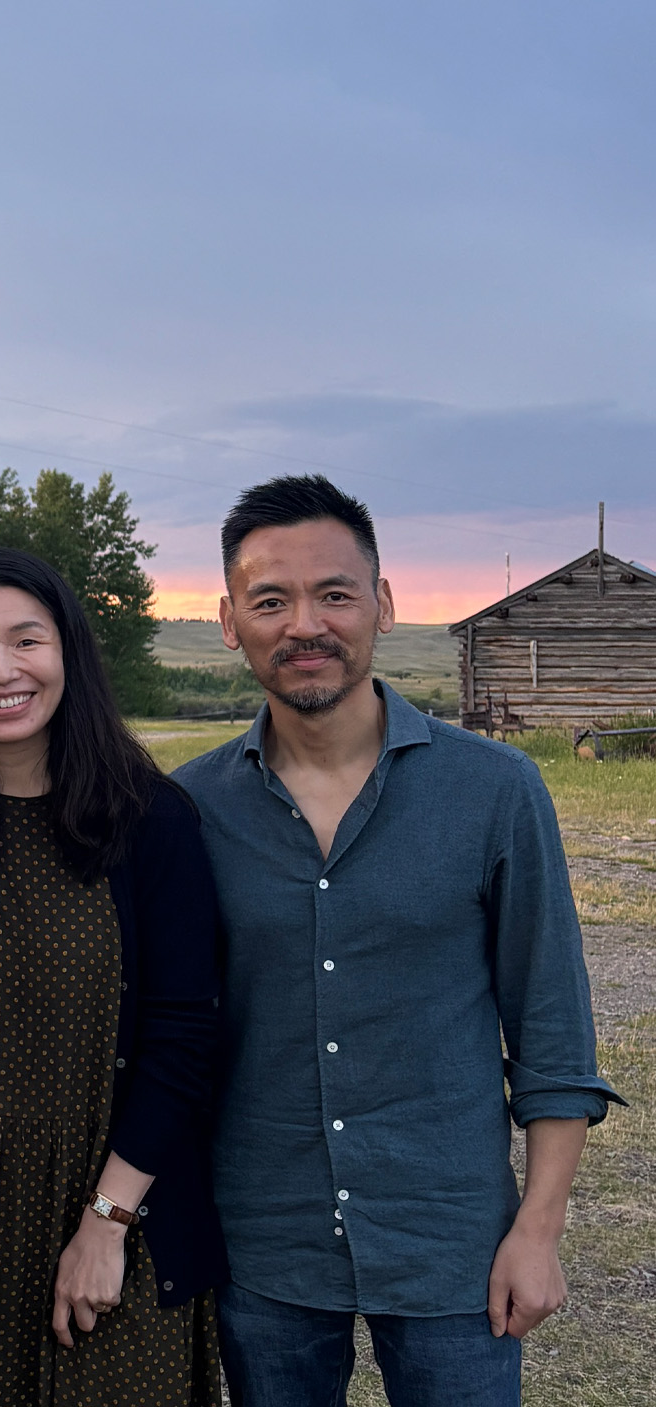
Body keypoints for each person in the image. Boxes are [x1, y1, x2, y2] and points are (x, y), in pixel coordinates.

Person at [174, 474, 623, 1407]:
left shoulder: (494, 791)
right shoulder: (186, 808)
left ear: (381, 601)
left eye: (334, 593)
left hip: (453, 1241)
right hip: (264, 1240)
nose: (306, 623)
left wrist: (536, 1232)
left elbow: (550, 1032)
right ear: (228, 620)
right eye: (270, 599)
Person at [0, 547, 226, 1405]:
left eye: (25, 640)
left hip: (114, 1213)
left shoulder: (151, 820)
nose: (0, 671)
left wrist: (105, 1225)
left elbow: (184, 1037)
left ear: (67, 650)